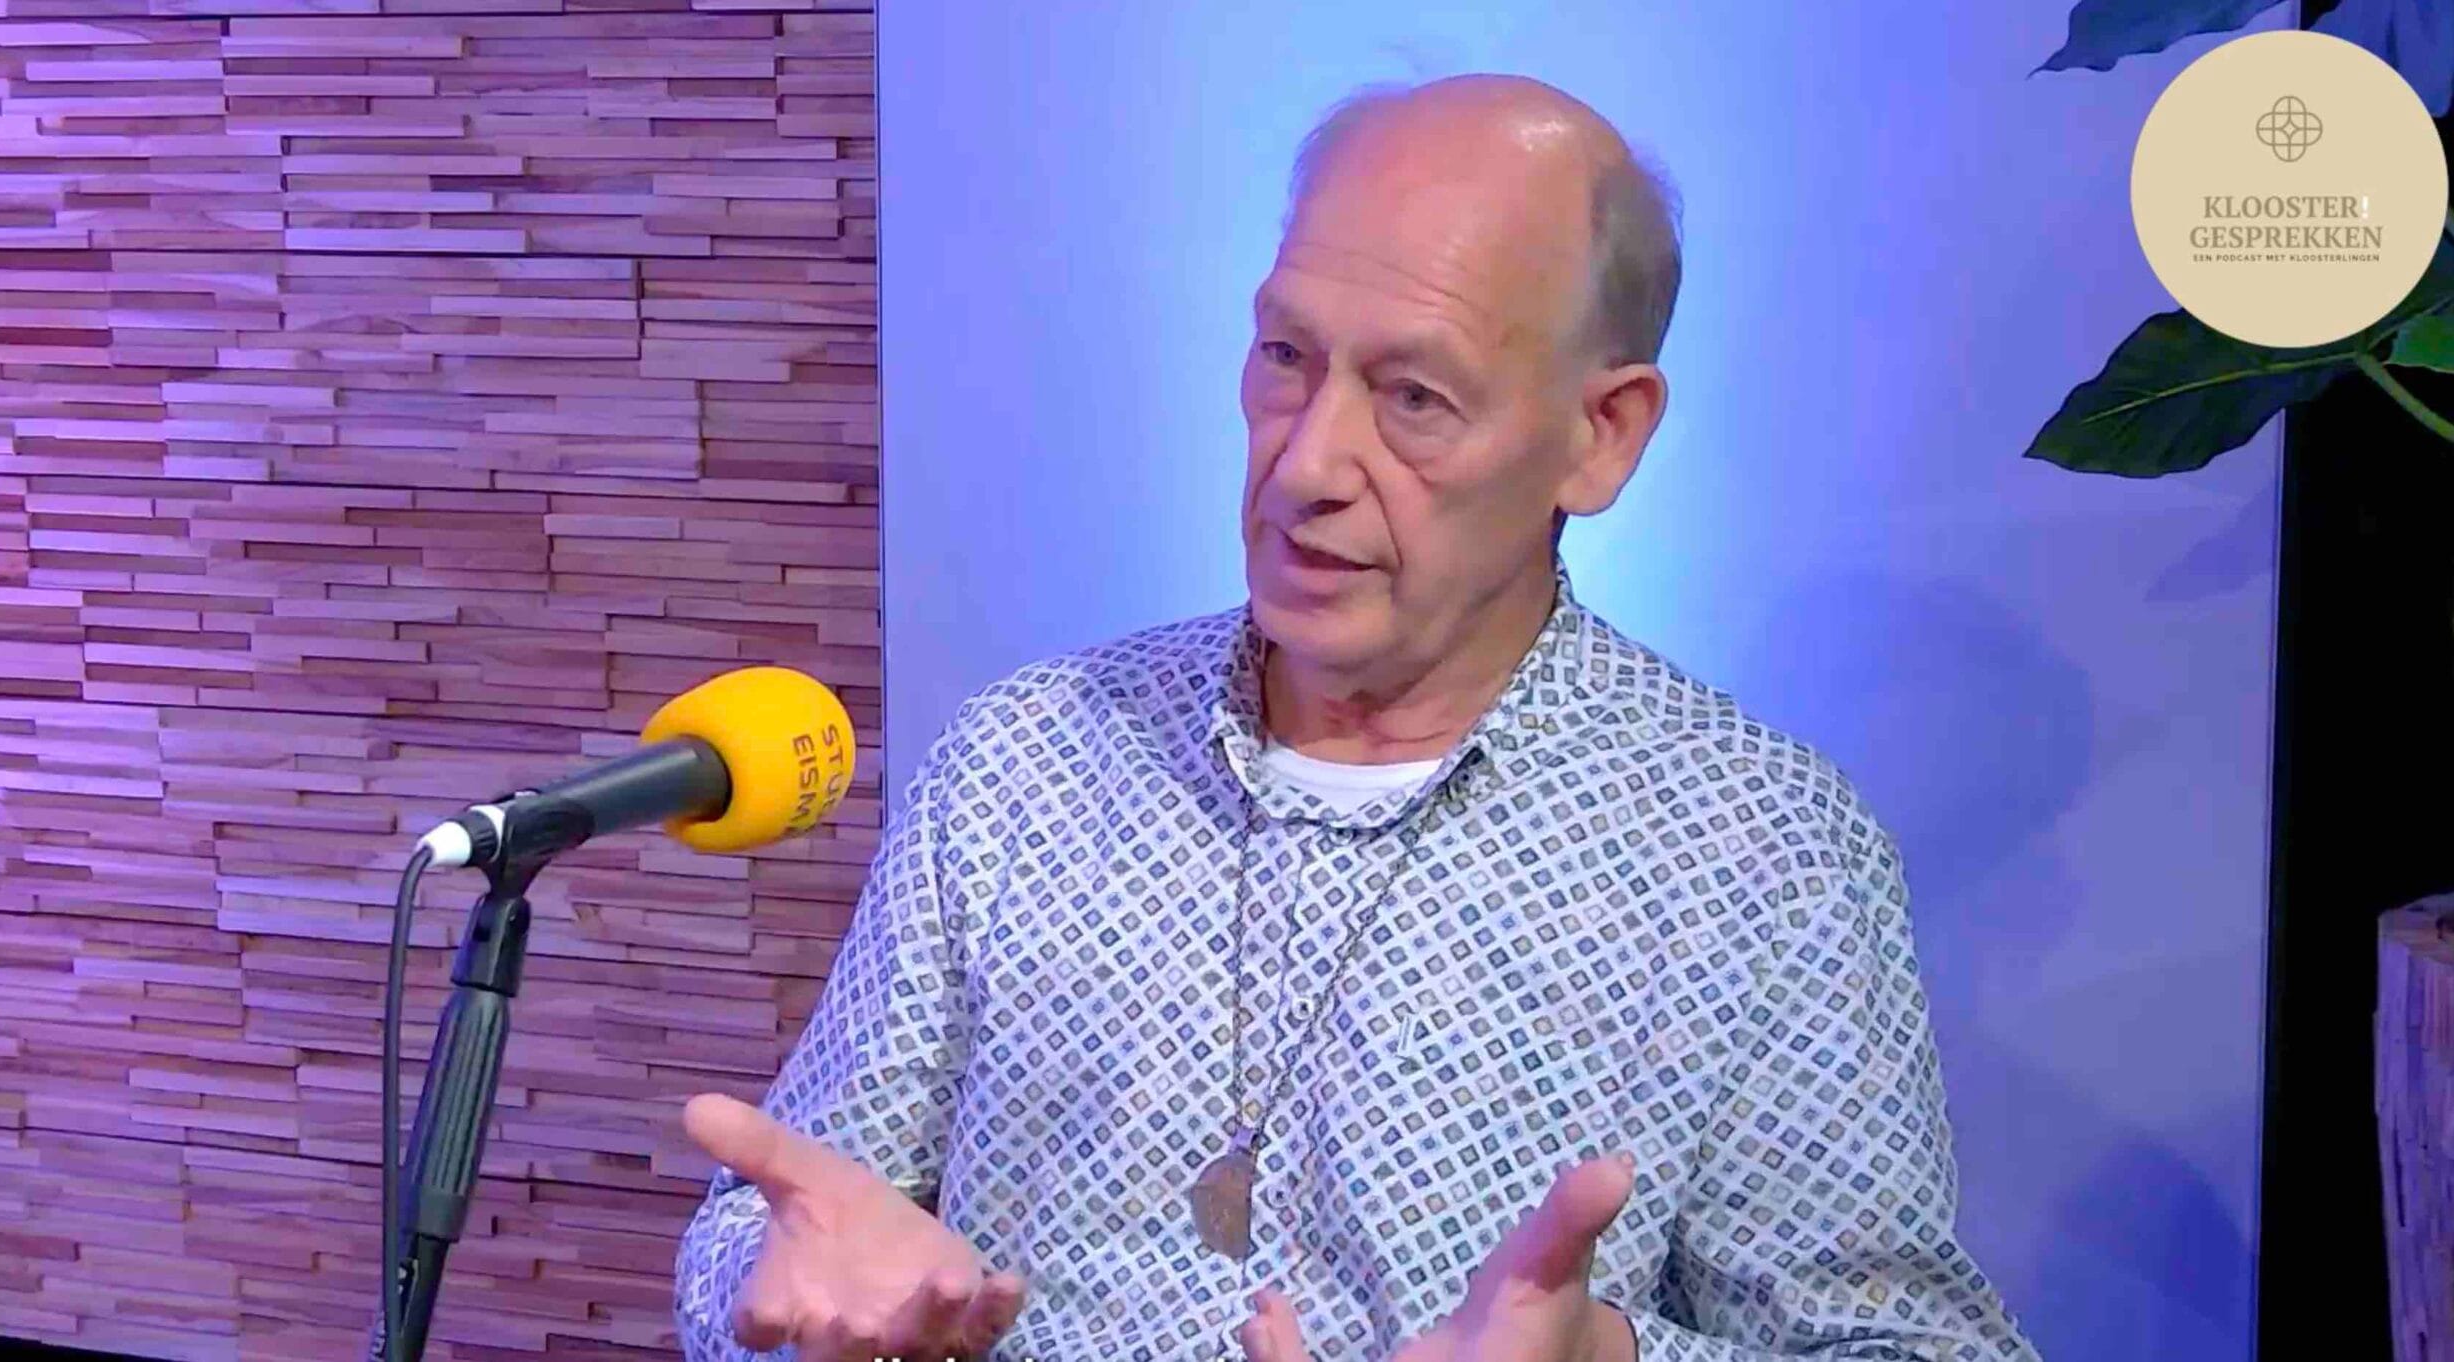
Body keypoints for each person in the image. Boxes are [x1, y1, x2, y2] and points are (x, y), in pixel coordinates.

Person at [673, 73, 2041, 1362]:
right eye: (1286, 356)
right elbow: (782, 1223)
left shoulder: (1761, 854)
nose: (1308, 463)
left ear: (1602, 435)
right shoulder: (1026, 758)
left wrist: (1618, 1356)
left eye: (1414, 397)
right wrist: (786, 1299)